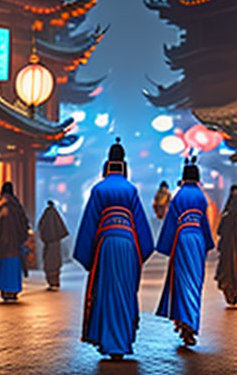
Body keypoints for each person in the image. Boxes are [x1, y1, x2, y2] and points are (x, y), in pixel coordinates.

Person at [74, 138, 154, 360]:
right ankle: (123, 341)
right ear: (124, 163)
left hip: (105, 244)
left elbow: (90, 222)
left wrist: (86, 255)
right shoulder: (131, 189)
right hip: (129, 243)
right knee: (126, 291)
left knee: (106, 290)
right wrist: (143, 250)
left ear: (107, 163)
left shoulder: (99, 189)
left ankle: (110, 342)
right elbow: (140, 225)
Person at [155, 157, 214, 346]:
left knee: (181, 281)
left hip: (181, 239)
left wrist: (165, 245)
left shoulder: (178, 196)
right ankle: (191, 324)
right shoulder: (201, 197)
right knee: (195, 282)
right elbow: (204, 222)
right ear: (197, 178)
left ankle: (183, 322)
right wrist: (208, 243)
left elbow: (171, 222)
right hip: (197, 239)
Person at [0, 182, 29, 302]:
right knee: (13, 269)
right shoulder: (16, 205)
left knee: (4, 269)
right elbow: (24, 223)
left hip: (3, 246)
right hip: (15, 245)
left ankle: (5, 291)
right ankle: (13, 291)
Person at [38, 200, 69, 290]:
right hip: (56, 243)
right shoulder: (56, 215)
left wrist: (44, 237)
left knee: (49, 263)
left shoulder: (45, 215)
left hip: (48, 243)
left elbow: (41, 227)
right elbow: (61, 229)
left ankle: (51, 282)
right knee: (55, 263)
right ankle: (56, 281)